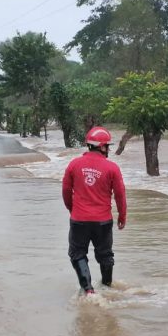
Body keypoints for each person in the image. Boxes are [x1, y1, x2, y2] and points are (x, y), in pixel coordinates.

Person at [62, 126, 127, 295]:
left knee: (77, 254)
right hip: (103, 222)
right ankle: (107, 287)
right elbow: (120, 195)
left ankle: (88, 290)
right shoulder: (112, 168)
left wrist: (72, 209)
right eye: (108, 146)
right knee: (105, 255)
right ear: (103, 147)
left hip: (79, 220)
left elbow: (66, 192)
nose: (108, 150)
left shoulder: (74, 165)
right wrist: (122, 216)